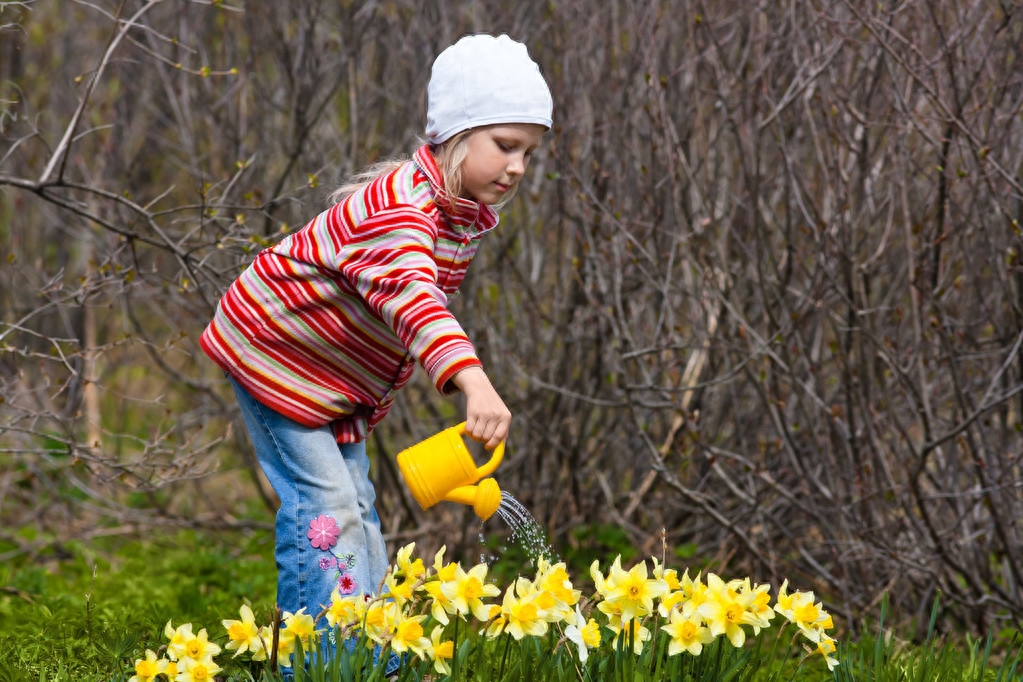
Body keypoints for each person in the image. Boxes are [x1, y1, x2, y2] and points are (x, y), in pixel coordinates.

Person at [198, 33, 552, 668]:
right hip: (276, 354)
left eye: (529, 151)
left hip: (330, 378)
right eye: (505, 145)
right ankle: (324, 663)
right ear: (457, 134)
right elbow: (414, 296)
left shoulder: (455, 214)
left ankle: (370, 653)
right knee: (324, 506)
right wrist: (472, 380)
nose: (519, 166)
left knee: (357, 506)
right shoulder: (400, 210)